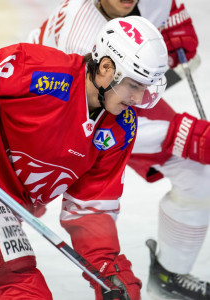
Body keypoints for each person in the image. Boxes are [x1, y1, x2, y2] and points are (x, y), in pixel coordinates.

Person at [0, 16, 168, 300]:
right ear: (105, 68)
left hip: (0, 203)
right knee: (16, 287)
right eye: (134, 85)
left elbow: (91, 207)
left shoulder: (122, 126)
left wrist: (106, 266)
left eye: (147, 88)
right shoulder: (47, 72)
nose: (139, 99)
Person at [27, 1, 210, 299]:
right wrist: (184, 135)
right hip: (51, 106)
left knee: (197, 172)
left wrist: (173, 16)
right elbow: (93, 130)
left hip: (120, 91)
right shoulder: (81, 38)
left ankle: (170, 273)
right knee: (24, 196)